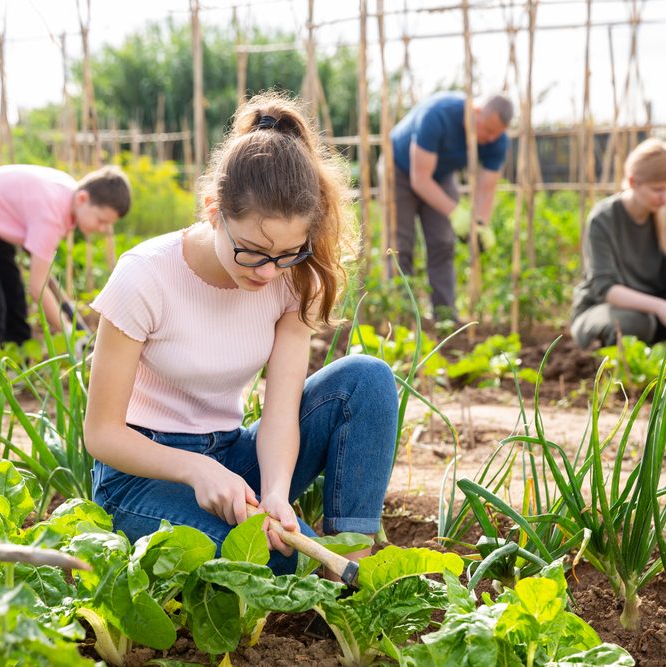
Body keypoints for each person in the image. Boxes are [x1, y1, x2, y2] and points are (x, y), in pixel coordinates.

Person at [83, 93, 399, 576]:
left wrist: (274, 489)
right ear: (214, 210)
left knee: (367, 379)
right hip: (141, 477)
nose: (269, 273)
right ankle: (331, 580)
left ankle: (354, 560)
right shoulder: (145, 276)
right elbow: (101, 434)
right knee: (280, 560)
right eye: (253, 251)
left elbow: (280, 412)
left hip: (234, 458)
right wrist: (196, 469)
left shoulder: (295, 278)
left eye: (288, 253)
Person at [387, 91, 513, 321]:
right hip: (399, 169)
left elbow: (487, 187)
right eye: (488, 130)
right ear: (476, 113)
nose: (491, 138)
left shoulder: (497, 140)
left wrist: (480, 223)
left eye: (498, 134)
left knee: (443, 243)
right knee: (400, 245)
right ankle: (400, 316)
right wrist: (455, 212)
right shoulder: (438, 116)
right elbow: (420, 179)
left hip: (441, 174)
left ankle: (445, 317)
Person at [0, 164, 131, 345]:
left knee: (14, 300)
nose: (101, 229)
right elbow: (38, 287)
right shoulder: (52, 215)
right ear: (83, 198)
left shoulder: (69, 192)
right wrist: (69, 333)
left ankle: (16, 360)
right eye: (101, 221)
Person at [571, 138, 666, 348]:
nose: (664, 197)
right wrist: (659, 306)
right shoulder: (604, 219)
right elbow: (605, 289)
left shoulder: (663, 216)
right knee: (631, 323)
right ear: (633, 182)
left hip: (656, 314)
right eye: (657, 189)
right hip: (602, 310)